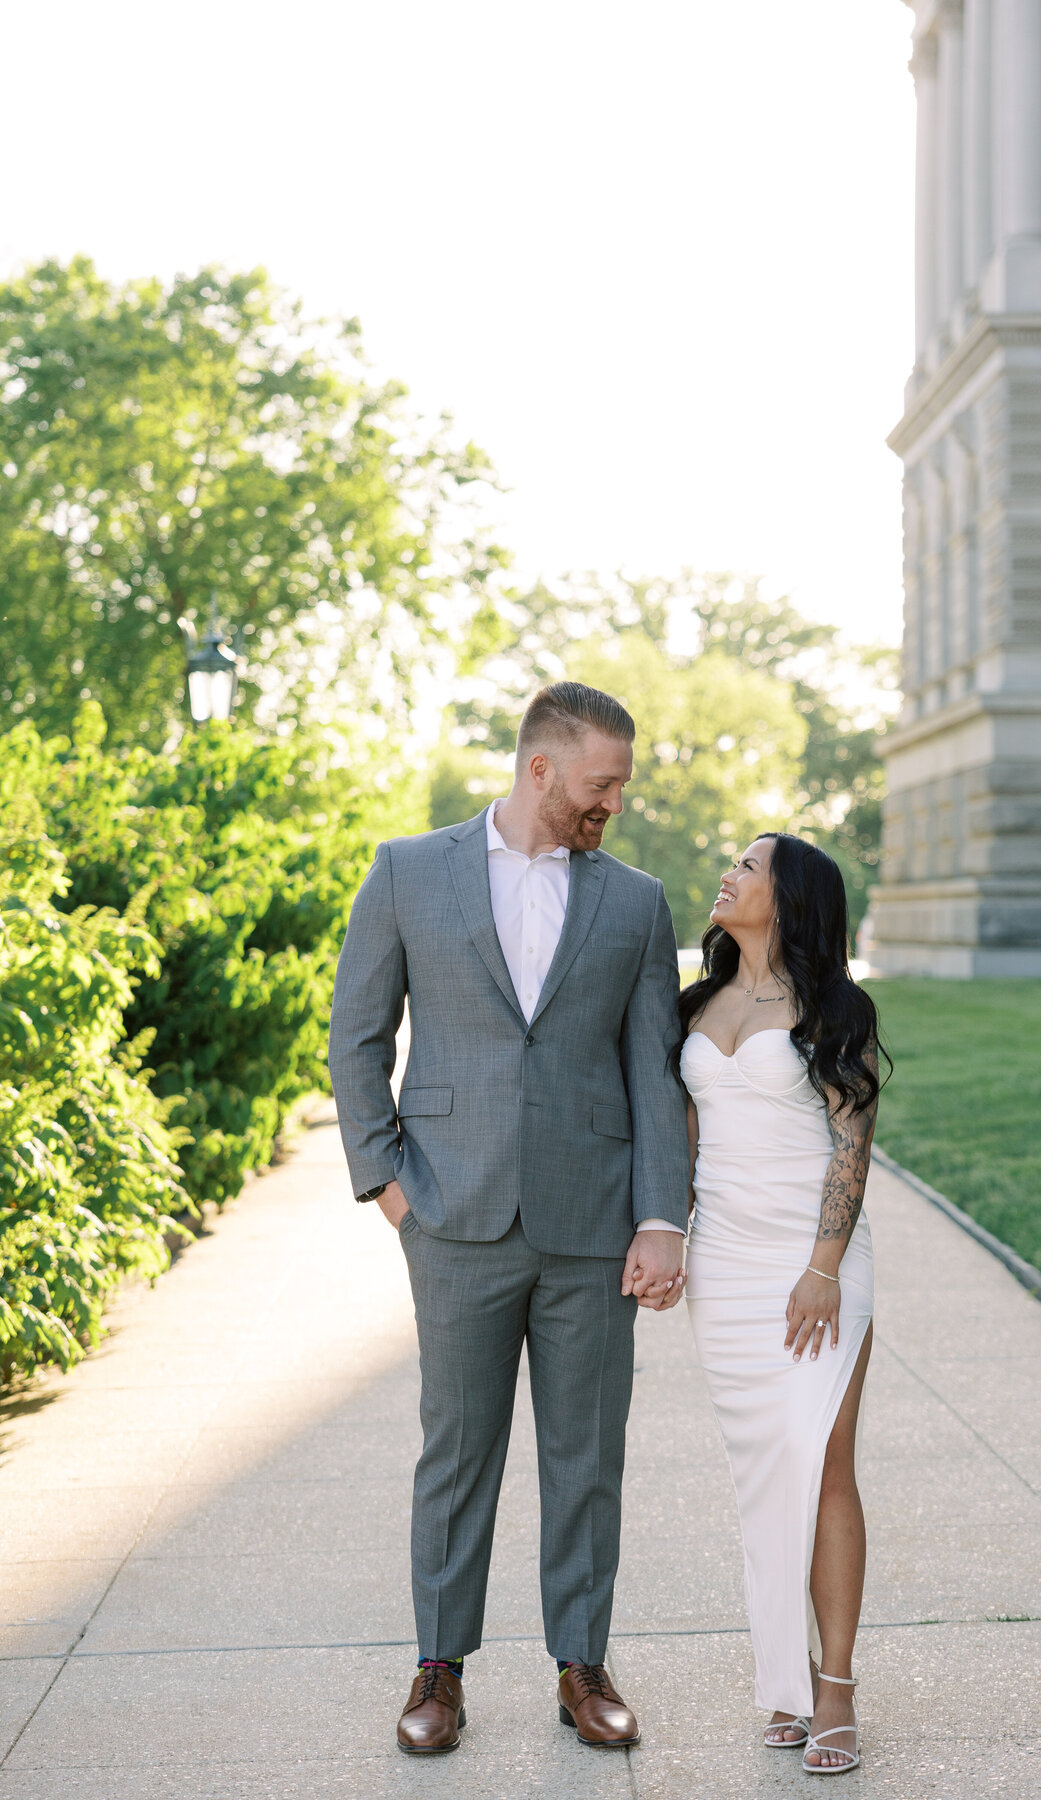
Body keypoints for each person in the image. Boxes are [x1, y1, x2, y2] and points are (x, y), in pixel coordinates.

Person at [328, 681, 690, 1755]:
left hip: (592, 1224)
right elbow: (357, 1035)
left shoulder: (634, 901)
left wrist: (661, 1216)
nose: (612, 802)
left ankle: (583, 1665)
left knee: (587, 1454)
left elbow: (653, 1071)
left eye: (618, 784)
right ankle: (438, 1669)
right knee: (457, 1448)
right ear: (541, 768)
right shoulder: (408, 871)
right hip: (453, 1214)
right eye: (601, 782)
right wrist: (388, 1187)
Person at [678, 833, 887, 1775]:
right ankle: (784, 1678)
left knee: (823, 1461)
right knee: (763, 1474)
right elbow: (680, 1145)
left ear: (790, 896)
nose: (730, 873)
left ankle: (835, 1687)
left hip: (815, 1265)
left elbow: (851, 1148)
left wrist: (824, 1267)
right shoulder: (693, 1002)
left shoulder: (835, 1008)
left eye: (749, 866)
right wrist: (662, 1238)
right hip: (722, 1264)